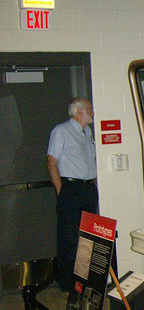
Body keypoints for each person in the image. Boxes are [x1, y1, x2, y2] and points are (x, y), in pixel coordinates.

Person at [47, 97, 98, 292]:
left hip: (88, 189)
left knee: (89, 237)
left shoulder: (87, 132)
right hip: (71, 189)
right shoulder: (61, 131)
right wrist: (61, 190)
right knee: (69, 238)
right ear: (79, 112)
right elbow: (52, 161)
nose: (92, 112)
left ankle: (86, 280)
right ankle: (68, 284)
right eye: (89, 109)